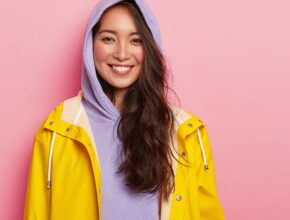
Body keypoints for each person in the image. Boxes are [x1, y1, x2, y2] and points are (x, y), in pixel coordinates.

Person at [23, 0, 225, 219]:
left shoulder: (186, 133)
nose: (121, 53)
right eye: (108, 38)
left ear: (150, 46)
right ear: (91, 44)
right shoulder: (57, 132)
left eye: (135, 40)